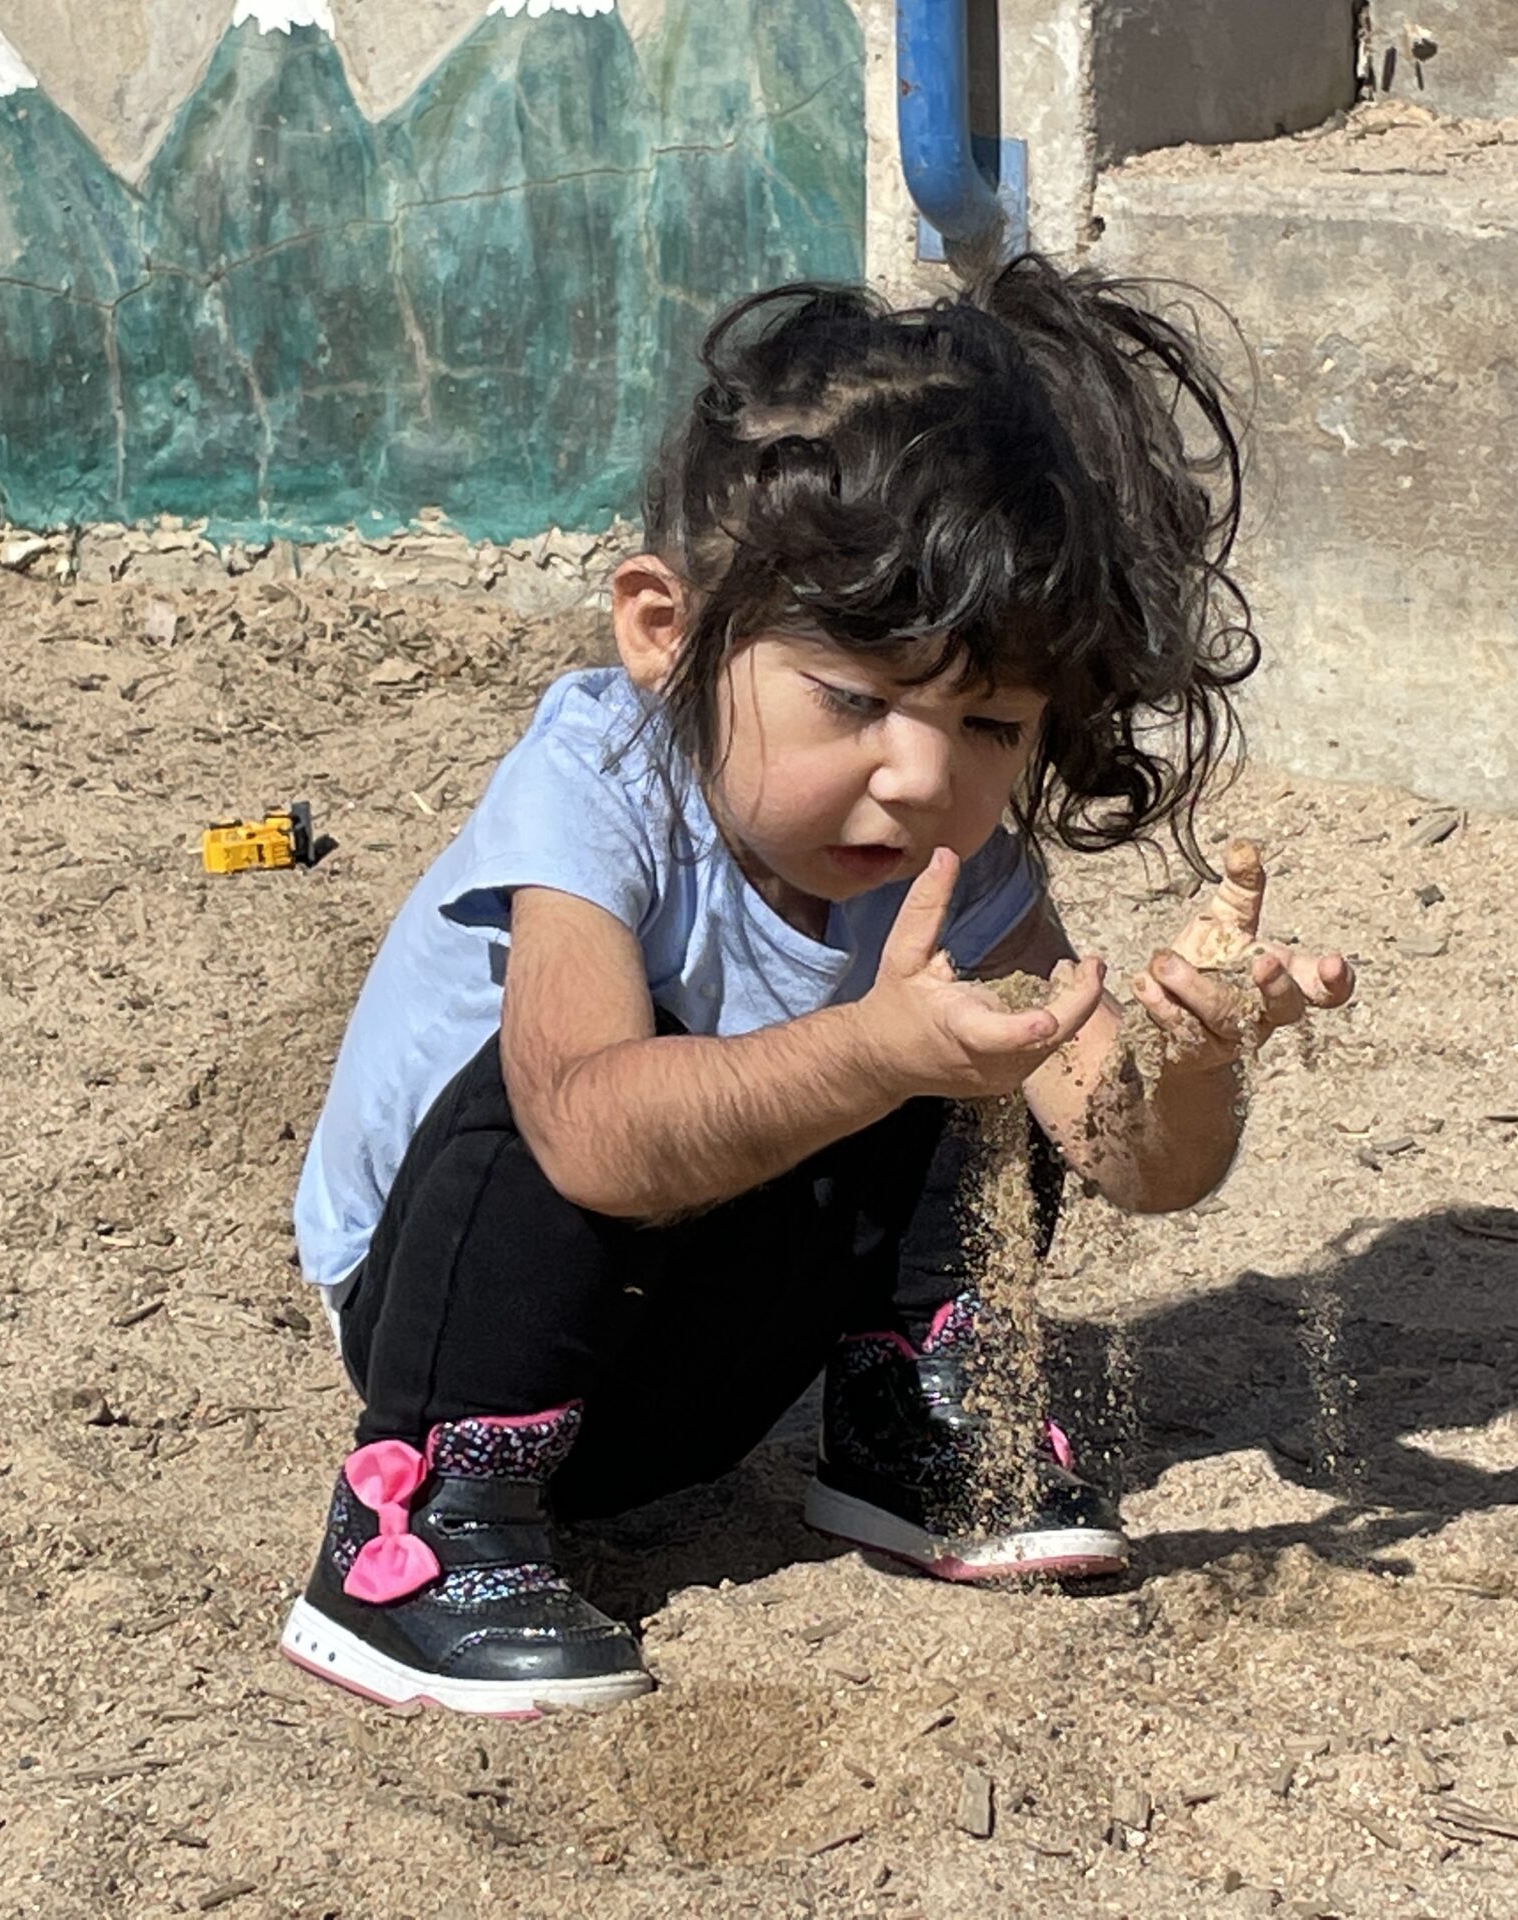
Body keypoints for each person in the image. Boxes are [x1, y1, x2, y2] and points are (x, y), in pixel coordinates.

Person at [280, 254, 1356, 1717]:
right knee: (650, 1062)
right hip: (464, 1333)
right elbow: (587, 1133)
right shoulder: (602, 781)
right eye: (855, 699)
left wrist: (1204, 1056)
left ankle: (915, 1429)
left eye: (986, 722)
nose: (921, 777)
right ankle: (411, 1543)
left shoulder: (957, 867)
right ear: (665, 633)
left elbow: (1129, 1157)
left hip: (704, 1361)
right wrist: (876, 1049)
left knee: (983, 1035)